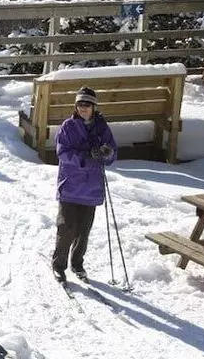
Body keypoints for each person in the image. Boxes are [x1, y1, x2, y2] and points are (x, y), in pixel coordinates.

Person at [52, 86, 118, 283]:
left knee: (84, 230)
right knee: (66, 227)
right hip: (71, 185)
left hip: (92, 187)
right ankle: (59, 265)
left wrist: (107, 153)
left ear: (94, 107)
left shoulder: (102, 127)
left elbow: (112, 151)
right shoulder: (67, 127)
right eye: (80, 104)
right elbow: (62, 153)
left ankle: (77, 264)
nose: (83, 108)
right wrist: (86, 156)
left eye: (87, 104)